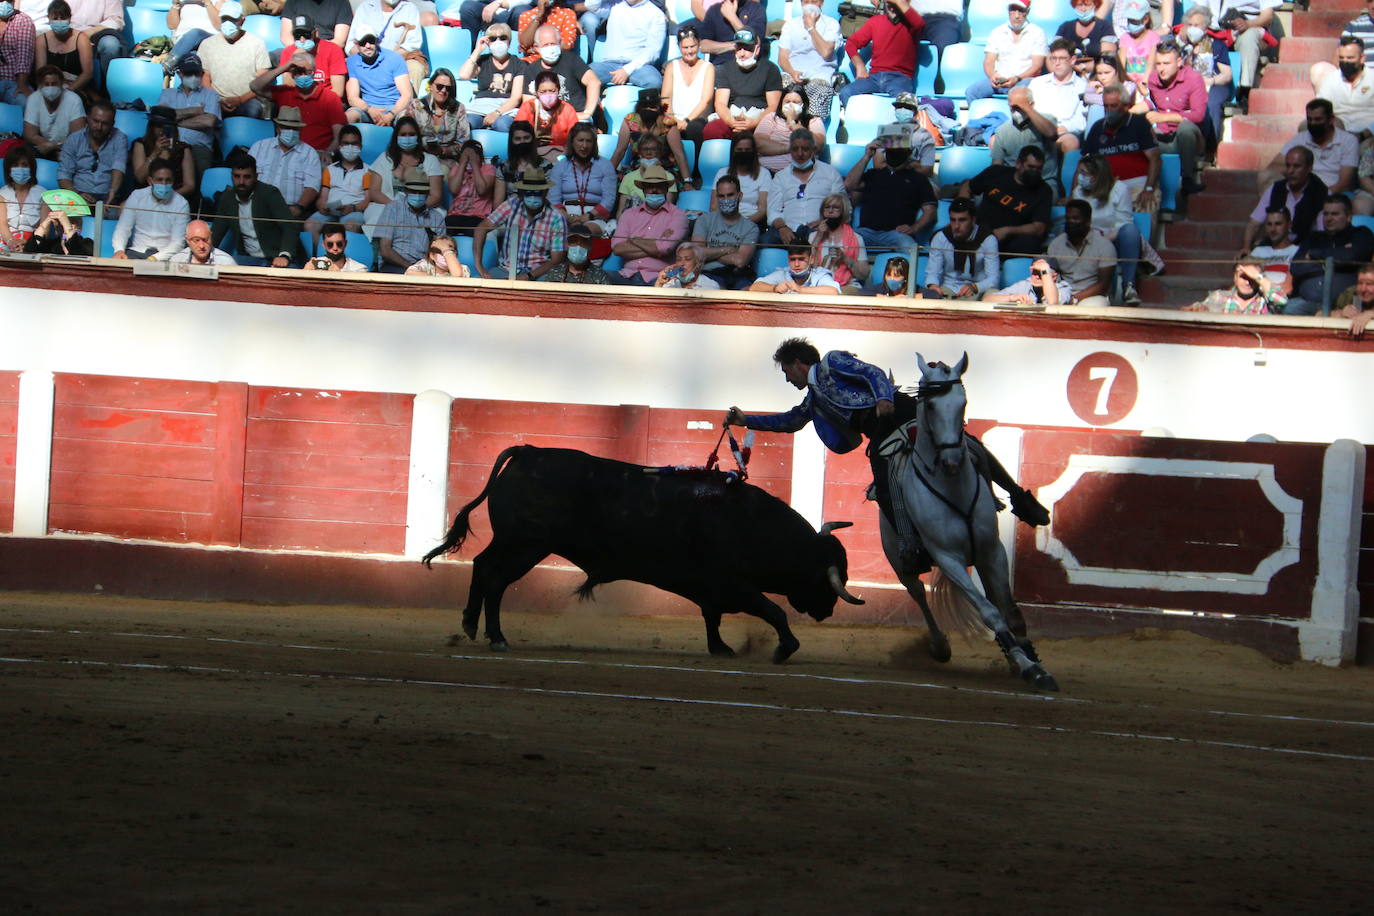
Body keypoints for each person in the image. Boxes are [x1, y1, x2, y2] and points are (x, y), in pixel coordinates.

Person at [724, 338, 1049, 568]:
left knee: (968, 446)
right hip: (878, 432)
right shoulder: (813, 399)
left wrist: (883, 398)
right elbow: (790, 421)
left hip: (900, 411)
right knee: (883, 485)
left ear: (797, 363)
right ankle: (911, 544)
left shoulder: (832, 362)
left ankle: (1020, 497)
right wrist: (745, 419)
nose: (787, 378)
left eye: (786, 371)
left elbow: (873, 373)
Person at [1070, 152, 1145, 305]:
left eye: (1085, 173)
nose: (1080, 177)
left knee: (1130, 231)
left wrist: (1103, 239)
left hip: (1113, 237)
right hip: (1086, 239)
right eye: (1080, 173)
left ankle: (1128, 286)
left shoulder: (1119, 189)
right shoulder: (1078, 192)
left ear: (1098, 175)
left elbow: (1124, 223)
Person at [844, 131, 936, 255]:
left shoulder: (919, 179)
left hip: (896, 235)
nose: (894, 154)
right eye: (891, 151)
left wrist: (914, 228)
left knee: (911, 250)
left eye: (899, 151)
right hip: (866, 232)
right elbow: (849, 184)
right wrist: (867, 156)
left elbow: (930, 212)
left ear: (908, 153)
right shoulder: (873, 174)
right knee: (841, 243)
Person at [473, 164, 567, 280]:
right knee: (479, 283)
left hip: (538, 273)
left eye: (537, 192)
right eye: (529, 192)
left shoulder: (556, 218)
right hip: (506, 269)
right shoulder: (512, 204)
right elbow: (481, 228)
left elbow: (556, 260)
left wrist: (528, 276)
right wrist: (479, 265)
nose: (533, 196)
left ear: (545, 192)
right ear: (522, 193)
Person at [960, 144, 1054, 258]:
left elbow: (1039, 227)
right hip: (980, 231)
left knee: (1030, 244)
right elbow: (967, 187)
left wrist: (1007, 231)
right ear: (1019, 164)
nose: (1035, 172)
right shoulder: (996, 172)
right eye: (1031, 167)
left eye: (1039, 169)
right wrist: (964, 213)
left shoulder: (1044, 191)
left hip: (1010, 239)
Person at [1285, 194, 1374, 315]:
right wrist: (1336, 259)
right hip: (1307, 303)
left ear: (1348, 217)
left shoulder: (1361, 234)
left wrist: (1315, 255)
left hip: (1345, 304)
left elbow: (1352, 256)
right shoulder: (1313, 238)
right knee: (1288, 308)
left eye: (1335, 214)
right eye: (1326, 214)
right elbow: (1296, 267)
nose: (1329, 218)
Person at [252, 49, 347, 156]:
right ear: (292, 74)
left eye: (306, 72)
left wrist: (328, 152)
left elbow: (339, 135)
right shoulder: (285, 92)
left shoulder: (330, 98)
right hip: (287, 153)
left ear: (314, 72)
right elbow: (255, 86)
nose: (302, 75)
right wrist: (284, 67)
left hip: (318, 155)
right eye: (298, 72)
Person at [210, 152, 299, 267]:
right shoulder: (227, 198)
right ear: (231, 176)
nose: (241, 182)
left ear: (256, 177)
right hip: (247, 259)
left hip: (277, 257)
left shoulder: (270, 193)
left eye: (247, 177)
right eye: (237, 176)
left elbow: (290, 226)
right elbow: (217, 231)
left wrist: (284, 256)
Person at [1008, 38, 1087, 168]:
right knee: (998, 139)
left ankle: (1066, 185)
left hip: (1061, 133)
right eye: (1053, 58)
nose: (1057, 63)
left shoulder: (1082, 86)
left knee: (1070, 142)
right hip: (1034, 130)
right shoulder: (1037, 83)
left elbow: (1080, 121)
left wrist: (1059, 129)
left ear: (1072, 60)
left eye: (1062, 58)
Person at [1082, 82, 1159, 209]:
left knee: (1148, 204)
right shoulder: (1097, 127)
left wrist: (1149, 188)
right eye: (1106, 106)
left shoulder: (1140, 123)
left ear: (1125, 106)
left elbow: (1155, 159)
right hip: (1105, 186)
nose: (1109, 110)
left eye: (1114, 106)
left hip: (1138, 185)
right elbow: (1084, 163)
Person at [1260, 100, 1359, 197]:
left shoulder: (1349, 141)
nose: (1313, 124)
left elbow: (1345, 184)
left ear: (1331, 119)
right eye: (1310, 119)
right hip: (1302, 189)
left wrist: (1316, 197)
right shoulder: (1300, 138)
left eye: (1318, 119)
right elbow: (1274, 166)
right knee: (1266, 176)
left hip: (1333, 194)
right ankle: (1271, 212)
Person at [1146, 40, 1206, 196]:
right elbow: (1150, 103)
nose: (1161, 68)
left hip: (1187, 139)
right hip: (1162, 137)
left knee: (1185, 128)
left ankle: (1187, 178)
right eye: (1158, 64)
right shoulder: (1153, 79)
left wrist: (1164, 117)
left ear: (1179, 62)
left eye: (1166, 63)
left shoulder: (1193, 79)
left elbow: (1198, 114)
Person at [765, 129, 844, 245]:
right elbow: (773, 211)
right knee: (764, 240)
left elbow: (843, 207)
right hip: (789, 230)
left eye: (805, 149)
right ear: (790, 150)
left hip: (821, 229)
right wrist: (782, 228)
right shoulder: (780, 177)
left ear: (813, 150)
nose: (800, 154)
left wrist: (825, 222)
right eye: (795, 149)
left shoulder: (830, 173)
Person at [838, 0, 924, 106]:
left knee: (904, 104)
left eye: (895, 5)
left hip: (899, 78)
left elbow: (919, 23)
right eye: (889, 5)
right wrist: (859, 65)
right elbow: (851, 43)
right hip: (874, 77)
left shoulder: (911, 25)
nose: (892, 8)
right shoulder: (876, 21)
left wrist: (898, 2)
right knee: (846, 92)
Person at [702, 29, 781, 142]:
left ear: (757, 50)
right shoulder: (725, 69)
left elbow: (773, 105)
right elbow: (720, 103)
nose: (742, 53)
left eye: (747, 49)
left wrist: (754, 122)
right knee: (712, 130)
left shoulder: (770, 69)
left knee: (773, 132)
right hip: (733, 116)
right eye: (739, 48)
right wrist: (731, 121)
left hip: (760, 117)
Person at [612, 164, 687, 284]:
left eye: (659, 186)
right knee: (599, 278)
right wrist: (656, 248)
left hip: (661, 277)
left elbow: (664, 249)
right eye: (649, 186)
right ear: (643, 189)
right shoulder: (629, 214)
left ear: (666, 189)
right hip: (627, 275)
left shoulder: (678, 215)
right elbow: (617, 248)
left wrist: (634, 240)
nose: (654, 190)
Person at [197, 1, 272, 120]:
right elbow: (205, 76)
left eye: (232, 20)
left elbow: (262, 80)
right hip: (216, 99)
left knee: (253, 110)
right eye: (224, 19)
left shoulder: (256, 43)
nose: (227, 23)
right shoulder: (207, 44)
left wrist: (241, 100)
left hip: (247, 100)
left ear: (242, 21)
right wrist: (217, 100)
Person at [1241, 146, 1326, 252]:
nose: (1290, 171)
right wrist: (1246, 247)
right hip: (1275, 245)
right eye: (1288, 166)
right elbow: (1254, 223)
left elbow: (1321, 231)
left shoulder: (1321, 192)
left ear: (1309, 168)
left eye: (1296, 166)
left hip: (1305, 249)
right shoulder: (1276, 189)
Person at [365, 115, 443, 225]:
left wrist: (414, 210)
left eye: (411, 134)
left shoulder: (431, 160)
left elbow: (436, 196)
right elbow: (374, 192)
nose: (407, 138)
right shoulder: (384, 158)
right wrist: (396, 207)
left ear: (418, 137)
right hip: (388, 207)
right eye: (403, 135)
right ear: (396, 137)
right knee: (377, 218)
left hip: (421, 210)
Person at [248, 106, 322, 221]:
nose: (291, 132)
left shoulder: (309, 153)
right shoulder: (259, 147)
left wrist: (299, 207)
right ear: (278, 128)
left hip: (290, 211)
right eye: (287, 128)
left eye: (295, 128)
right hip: (257, 207)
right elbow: (247, 176)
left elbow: (312, 186)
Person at [548, 122, 617, 243]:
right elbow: (553, 200)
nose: (584, 146)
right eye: (580, 140)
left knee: (583, 231)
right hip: (565, 216)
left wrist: (587, 216)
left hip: (594, 217)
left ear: (594, 144)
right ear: (572, 142)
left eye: (588, 141)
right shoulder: (560, 166)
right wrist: (566, 217)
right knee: (562, 228)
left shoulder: (606, 165)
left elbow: (609, 200)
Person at [110, 159, 192, 261]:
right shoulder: (137, 196)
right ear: (150, 181)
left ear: (173, 181)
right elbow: (123, 228)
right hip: (137, 252)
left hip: (167, 256)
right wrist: (119, 250)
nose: (164, 184)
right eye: (159, 180)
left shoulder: (181, 203)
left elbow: (178, 242)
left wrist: (154, 258)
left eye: (168, 180)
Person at [966, 0, 1046, 102]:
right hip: (1000, 80)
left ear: (1028, 12)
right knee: (972, 92)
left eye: (1021, 11)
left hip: (1022, 80)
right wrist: (992, 76)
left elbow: (1037, 66)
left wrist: (1017, 78)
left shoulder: (1037, 33)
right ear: (1008, 11)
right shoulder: (997, 32)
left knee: (1024, 89)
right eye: (1013, 10)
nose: (1017, 16)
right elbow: (988, 61)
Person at [1175, 4, 1231, 148]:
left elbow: (1226, 75)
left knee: (1210, 103)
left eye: (1197, 25)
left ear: (1205, 27)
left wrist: (1210, 81)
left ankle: (1209, 148)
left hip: (1213, 84)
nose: (1192, 28)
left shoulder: (1217, 46)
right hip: (1188, 85)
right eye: (1190, 25)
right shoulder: (1181, 47)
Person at [523, 23, 601, 125]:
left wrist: (587, 113)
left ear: (560, 43)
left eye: (553, 44)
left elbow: (594, 82)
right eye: (546, 45)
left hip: (576, 117)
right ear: (536, 47)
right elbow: (529, 103)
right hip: (548, 121)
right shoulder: (531, 70)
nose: (550, 48)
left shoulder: (572, 60)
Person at [158, 54, 222, 177]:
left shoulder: (211, 95)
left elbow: (208, 121)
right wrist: (195, 111)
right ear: (179, 74)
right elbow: (161, 117)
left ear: (202, 74)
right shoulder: (167, 94)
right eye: (188, 73)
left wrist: (174, 121)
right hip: (169, 145)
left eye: (196, 73)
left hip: (198, 148)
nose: (193, 77)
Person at [777, 0, 842, 119]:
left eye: (814, 1)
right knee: (773, 88)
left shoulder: (831, 24)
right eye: (806, 1)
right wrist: (792, 72)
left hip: (819, 76)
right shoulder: (790, 25)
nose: (810, 4)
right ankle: (778, 126)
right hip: (793, 74)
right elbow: (783, 58)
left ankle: (813, 129)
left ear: (821, 3)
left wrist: (811, 28)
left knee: (820, 91)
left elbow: (826, 52)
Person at [923, 196, 999, 299]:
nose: (956, 226)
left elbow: (993, 278)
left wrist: (976, 287)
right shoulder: (941, 237)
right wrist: (933, 286)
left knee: (993, 294)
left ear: (973, 219)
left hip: (978, 289)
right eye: (953, 220)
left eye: (962, 220)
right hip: (948, 288)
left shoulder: (987, 239)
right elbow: (933, 272)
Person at [692, 173, 758, 289]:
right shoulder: (704, 220)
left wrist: (709, 254)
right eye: (721, 196)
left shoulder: (751, 227)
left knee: (748, 294)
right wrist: (727, 250)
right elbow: (696, 254)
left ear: (740, 196)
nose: (726, 200)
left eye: (730, 195)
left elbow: (740, 261)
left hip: (739, 275)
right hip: (710, 274)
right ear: (717, 197)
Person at [375, 166, 447, 273]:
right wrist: (412, 268)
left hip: (425, 267)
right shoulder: (393, 209)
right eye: (414, 191)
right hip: (395, 264)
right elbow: (385, 250)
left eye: (421, 192)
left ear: (427, 193)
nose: (417, 195)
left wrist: (422, 269)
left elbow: (440, 252)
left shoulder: (437, 218)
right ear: (406, 191)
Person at [611, 88, 691, 182]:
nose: (648, 109)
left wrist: (687, 181)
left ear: (659, 107)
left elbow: (679, 154)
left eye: (652, 106)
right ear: (639, 107)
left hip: (664, 169)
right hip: (638, 168)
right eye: (644, 106)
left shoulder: (668, 122)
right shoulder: (630, 120)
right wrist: (605, 175)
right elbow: (620, 151)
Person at [347, 0, 427, 94]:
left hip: (399, 60)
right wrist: (371, 60)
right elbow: (351, 45)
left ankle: (409, 105)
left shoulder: (410, 9)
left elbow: (413, 44)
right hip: (368, 60)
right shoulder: (365, 8)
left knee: (415, 68)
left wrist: (387, 60)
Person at [57, 100, 125, 208]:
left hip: (107, 197)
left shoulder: (119, 138)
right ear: (87, 119)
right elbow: (64, 174)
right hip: (77, 194)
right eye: (96, 121)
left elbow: (119, 168)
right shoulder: (74, 139)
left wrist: (112, 192)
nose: (99, 127)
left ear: (112, 124)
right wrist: (77, 195)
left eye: (105, 123)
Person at [1045, 200, 1115, 306]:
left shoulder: (1104, 246)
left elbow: (1103, 285)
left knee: (1095, 307)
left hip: (1092, 296)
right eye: (1068, 219)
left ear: (1087, 221)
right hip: (1063, 292)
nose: (1070, 222)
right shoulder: (1056, 244)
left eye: (1075, 219)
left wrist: (1074, 299)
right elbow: (1051, 276)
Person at [306, 123, 372, 235]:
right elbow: (323, 197)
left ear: (360, 146)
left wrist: (352, 208)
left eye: (354, 144)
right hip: (330, 211)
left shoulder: (368, 171)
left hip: (354, 211)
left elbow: (368, 199)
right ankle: (315, 253)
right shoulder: (329, 169)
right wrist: (321, 206)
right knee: (310, 224)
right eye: (346, 143)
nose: (350, 147)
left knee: (350, 226)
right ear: (340, 146)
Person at [458, 23, 525, 132]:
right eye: (493, 39)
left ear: (510, 41)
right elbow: (464, 75)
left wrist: (496, 113)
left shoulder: (519, 64)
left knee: (502, 124)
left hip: (505, 108)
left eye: (503, 38)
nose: (498, 42)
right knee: (467, 123)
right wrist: (477, 51)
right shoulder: (482, 61)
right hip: (480, 106)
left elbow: (516, 98)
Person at [589, 0, 666, 90]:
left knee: (654, 82)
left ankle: (644, 104)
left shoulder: (656, 14)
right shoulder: (614, 6)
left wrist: (626, 71)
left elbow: (652, 52)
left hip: (639, 67)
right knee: (580, 75)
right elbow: (590, 4)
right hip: (609, 65)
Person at [344, 33, 414, 125]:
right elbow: (352, 98)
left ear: (377, 41)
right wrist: (369, 109)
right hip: (367, 107)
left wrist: (391, 115)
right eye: (363, 43)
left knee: (406, 120)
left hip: (395, 107)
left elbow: (407, 95)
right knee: (348, 117)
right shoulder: (352, 61)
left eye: (371, 42)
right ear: (356, 44)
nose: (368, 46)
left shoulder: (394, 58)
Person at [662, 26, 715, 144]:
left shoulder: (708, 67)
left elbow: (705, 99)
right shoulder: (671, 66)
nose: (689, 51)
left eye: (693, 46)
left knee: (695, 129)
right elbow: (665, 98)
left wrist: (687, 120)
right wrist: (673, 119)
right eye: (685, 47)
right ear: (679, 47)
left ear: (699, 44)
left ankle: (696, 162)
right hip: (674, 118)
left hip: (697, 119)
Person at [753, 87, 825, 173]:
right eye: (787, 102)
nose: (791, 105)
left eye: (795, 102)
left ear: (803, 104)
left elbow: (817, 144)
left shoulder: (813, 121)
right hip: (767, 171)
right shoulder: (772, 118)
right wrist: (790, 148)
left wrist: (792, 123)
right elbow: (758, 143)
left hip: (799, 174)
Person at [407, 67, 468, 163]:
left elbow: (464, 141)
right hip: (420, 157)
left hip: (448, 159)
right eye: (439, 86)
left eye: (448, 88)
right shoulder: (416, 106)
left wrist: (443, 151)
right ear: (431, 85)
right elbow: (407, 135)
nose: (443, 90)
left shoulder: (458, 108)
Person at [22, 64, 84, 159]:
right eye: (46, 84)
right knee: (27, 151)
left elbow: (77, 135)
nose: (50, 88)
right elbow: (29, 134)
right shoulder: (33, 98)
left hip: (69, 148)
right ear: (40, 85)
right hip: (43, 146)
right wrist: (50, 146)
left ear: (61, 83)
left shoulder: (74, 100)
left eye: (54, 84)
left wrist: (55, 146)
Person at [808, 193, 868, 291]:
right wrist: (818, 237)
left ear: (843, 212)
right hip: (818, 285)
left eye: (835, 208)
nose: (830, 211)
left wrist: (845, 258)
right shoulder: (813, 237)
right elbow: (805, 266)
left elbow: (864, 274)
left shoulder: (856, 238)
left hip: (847, 286)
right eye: (827, 207)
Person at [1183, 257, 1285, 314]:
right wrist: (1198, 309)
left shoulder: (1265, 301)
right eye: (1243, 277)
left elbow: (1282, 301)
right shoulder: (1220, 297)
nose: (1247, 283)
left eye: (1252, 279)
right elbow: (1201, 307)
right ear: (1235, 277)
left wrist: (1258, 276)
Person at [131, 108, 196, 198]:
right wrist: (155, 153)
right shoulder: (141, 144)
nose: (162, 130)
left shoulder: (183, 149)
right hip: (145, 197)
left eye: (167, 126)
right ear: (152, 127)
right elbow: (140, 178)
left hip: (174, 197)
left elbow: (189, 185)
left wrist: (169, 197)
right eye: (159, 126)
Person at [709, 131, 769, 228]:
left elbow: (762, 210)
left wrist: (740, 225)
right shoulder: (721, 173)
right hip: (723, 224)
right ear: (733, 151)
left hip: (752, 224)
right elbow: (714, 207)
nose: (743, 153)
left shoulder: (764, 174)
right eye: (739, 150)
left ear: (754, 152)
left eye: (747, 150)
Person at [517, 69, 579, 160]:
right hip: (531, 156)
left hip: (560, 156)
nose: (548, 95)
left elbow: (575, 137)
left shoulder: (567, 109)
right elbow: (518, 133)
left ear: (558, 90)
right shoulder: (528, 107)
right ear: (537, 92)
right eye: (543, 92)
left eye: (552, 91)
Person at [280, 14, 347, 98]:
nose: (302, 39)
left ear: (316, 33)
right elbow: (288, 88)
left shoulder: (333, 50)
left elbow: (338, 92)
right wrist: (293, 63)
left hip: (326, 100)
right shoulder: (288, 52)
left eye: (306, 34)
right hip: (298, 100)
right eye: (297, 35)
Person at [65, 0, 124, 94]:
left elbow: (115, 20)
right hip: (68, 30)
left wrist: (90, 32)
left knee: (110, 44)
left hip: (97, 32)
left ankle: (106, 91)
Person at [35, 0, 94, 96]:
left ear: (70, 18)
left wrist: (68, 91)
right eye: (55, 18)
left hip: (76, 88)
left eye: (63, 18)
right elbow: (40, 73)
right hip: (49, 88)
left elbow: (87, 73)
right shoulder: (41, 40)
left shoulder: (81, 39)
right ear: (48, 19)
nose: (59, 21)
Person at [616, 132, 681, 214]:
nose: (649, 153)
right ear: (639, 153)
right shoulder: (628, 178)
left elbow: (668, 210)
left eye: (653, 149)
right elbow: (621, 212)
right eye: (645, 149)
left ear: (660, 153)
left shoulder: (669, 177)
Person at [446, 137, 498, 231]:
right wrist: (462, 164)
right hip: (455, 216)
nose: (469, 158)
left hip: (478, 218)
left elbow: (481, 190)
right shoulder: (456, 169)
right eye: (466, 155)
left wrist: (475, 164)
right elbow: (454, 189)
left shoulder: (488, 169)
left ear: (481, 157)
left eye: (473, 155)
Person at [0, 146, 47, 252]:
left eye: (24, 165)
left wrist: (30, 243)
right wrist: (11, 241)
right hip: (7, 241)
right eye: (15, 165)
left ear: (31, 169)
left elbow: (45, 227)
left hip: (34, 242)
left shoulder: (44, 194)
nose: (20, 169)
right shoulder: (2, 193)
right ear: (9, 170)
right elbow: (1, 223)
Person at [748, 243, 842, 294]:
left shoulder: (819, 274)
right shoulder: (784, 273)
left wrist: (800, 289)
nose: (796, 264)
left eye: (801, 259)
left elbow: (833, 291)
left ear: (811, 259)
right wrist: (774, 288)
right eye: (793, 260)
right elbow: (754, 287)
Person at [697, 0, 767, 67]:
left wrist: (732, 17)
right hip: (721, 66)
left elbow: (756, 41)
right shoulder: (714, 10)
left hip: (748, 65)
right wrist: (734, 46)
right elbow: (703, 46)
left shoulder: (756, 10)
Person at [162, 0, 221, 78]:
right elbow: (172, 26)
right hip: (184, 41)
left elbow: (219, 25)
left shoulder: (217, 1)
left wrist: (207, 3)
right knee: (191, 59)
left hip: (208, 38)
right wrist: (175, 5)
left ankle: (168, 64)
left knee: (195, 33)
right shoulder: (183, 2)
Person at [1246, 206, 1298, 294]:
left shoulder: (1297, 252)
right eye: (1269, 224)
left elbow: (1288, 289)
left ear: (1289, 225)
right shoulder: (1258, 252)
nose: (1273, 229)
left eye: (1278, 224)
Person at [982, 255, 1073, 304]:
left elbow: (1053, 302)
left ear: (1054, 277)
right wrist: (1011, 297)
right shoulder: (1025, 284)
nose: (1037, 276)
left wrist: (1045, 270)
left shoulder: (1063, 286)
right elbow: (987, 300)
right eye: (1035, 272)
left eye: (1041, 273)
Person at [540, 222, 611, 284]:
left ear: (590, 246)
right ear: (567, 245)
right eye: (573, 241)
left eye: (583, 242)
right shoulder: (554, 272)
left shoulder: (599, 275)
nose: (578, 246)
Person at [1115, 0, 1158, 93]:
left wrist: (1144, 84)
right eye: (1129, 20)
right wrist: (1132, 83)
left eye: (1134, 21)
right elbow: (1121, 65)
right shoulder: (1125, 38)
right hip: (1129, 84)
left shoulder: (1153, 37)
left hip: (1148, 83)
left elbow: (1151, 64)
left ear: (1145, 19)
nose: (1131, 23)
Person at [1056, 0, 1116, 64]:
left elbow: (1107, 57)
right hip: (1068, 71)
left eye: (1088, 5)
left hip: (1096, 71)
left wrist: (1086, 67)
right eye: (1080, 5)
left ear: (1095, 6)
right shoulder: (1065, 27)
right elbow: (1053, 53)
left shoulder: (1105, 26)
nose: (1083, 9)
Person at [0, 0, 36, 105]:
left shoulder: (23, 21)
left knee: (26, 103)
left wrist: (21, 84)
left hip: (14, 82)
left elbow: (24, 56)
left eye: (9, 0)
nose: (5, 3)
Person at [497, 119, 542, 198]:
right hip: (510, 209)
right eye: (518, 139)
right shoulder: (504, 167)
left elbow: (550, 199)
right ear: (512, 141)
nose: (522, 142)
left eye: (526, 138)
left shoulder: (545, 166)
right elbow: (498, 203)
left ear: (533, 139)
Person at [280, 0, 352, 49]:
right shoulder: (293, 2)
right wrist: (301, 50)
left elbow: (339, 41)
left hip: (328, 50)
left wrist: (315, 51)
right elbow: (286, 37)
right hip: (298, 49)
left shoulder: (341, 2)